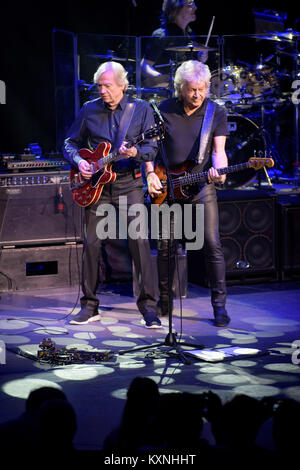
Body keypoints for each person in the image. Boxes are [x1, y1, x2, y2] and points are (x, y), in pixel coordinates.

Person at [63, 61, 162, 328]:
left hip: (128, 183)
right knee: (92, 243)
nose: (103, 91)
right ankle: (89, 305)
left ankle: (149, 308)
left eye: (107, 86)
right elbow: (69, 143)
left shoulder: (140, 110)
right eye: (99, 86)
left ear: (123, 86)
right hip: (96, 186)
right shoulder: (88, 109)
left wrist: (135, 153)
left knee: (139, 243)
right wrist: (79, 162)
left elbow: (152, 150)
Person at [147, 60, 231, 328]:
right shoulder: (163, 109)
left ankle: (219, 307)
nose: (197, 95)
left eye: (203, 89)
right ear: (180, 88)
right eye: (192, 89)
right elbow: (148, 148)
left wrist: (221, 169)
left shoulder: (215, 112)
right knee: (165, 246)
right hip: (169, 186)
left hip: (200, 186)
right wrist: (150, 173)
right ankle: (164, 302)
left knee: (212, 243)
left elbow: (218, 151)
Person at [141, 0, 208, 89]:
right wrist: (162, 78)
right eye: (190, 4)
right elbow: (144, 66)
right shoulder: (162, 35)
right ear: (176, 9)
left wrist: (201, 59)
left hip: (184, 89)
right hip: (164, 91)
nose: (195, 7)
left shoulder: (190, 33)